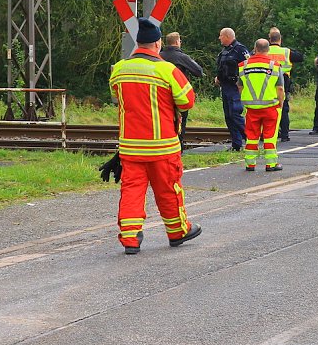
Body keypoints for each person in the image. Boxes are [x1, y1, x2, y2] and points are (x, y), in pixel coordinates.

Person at [103, 17, 202, 254]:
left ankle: (130, 238)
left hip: (130, 147)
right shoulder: (167, 70)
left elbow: (117, 97)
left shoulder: (119, 70)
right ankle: (177, 232)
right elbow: (187, 102)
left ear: (139, 44)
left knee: (131, 191)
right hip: (162, 146)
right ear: (157, 44)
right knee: (169, 190)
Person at [238, 38, 285, 172]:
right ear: (268, 49)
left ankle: (250, 164)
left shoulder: (243, 65)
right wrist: (280, 103)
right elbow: (280, 88)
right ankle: (270, 164)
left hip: (251, 108)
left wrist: (245, 100)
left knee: (251, 136)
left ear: (255, 49)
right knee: (270, 135)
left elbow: (240, 87)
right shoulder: (274, 66)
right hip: (270, 106)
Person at [160, 31, 204, 151]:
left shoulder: (159, 56)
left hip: (160, 95)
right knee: (180, 121)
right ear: (177, 42)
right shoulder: (182, 57)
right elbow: (199, 72)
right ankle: (178, 146)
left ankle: (164, 146)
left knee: (162, 121)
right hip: (178, 95)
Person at [215, 28, 250, 151]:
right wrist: (218, 78)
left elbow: (248, 67)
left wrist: (241, 83)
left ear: (227, 36)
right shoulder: (226, 50)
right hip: (225, 86)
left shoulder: (240, 50)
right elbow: (222, 67)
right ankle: (236, 144)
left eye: (221, 36)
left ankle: (250, 139)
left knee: (235, 114)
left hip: (235, 87)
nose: (219, 38)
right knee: (228, 116)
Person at [268, 27, 304, 141]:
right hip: (283, 80)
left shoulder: (264, 50)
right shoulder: (286, 51)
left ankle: (268, 134)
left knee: (267, 106)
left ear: (269, 40)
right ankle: (284, 135)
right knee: (283, 106)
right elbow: (300, 57)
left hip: (268, 79)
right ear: (280, 40)